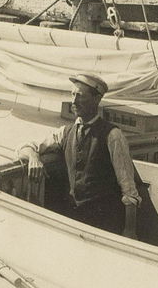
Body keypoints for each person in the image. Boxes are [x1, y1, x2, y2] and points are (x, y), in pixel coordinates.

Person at [19, 73, 141, 238]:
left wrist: (130, 231)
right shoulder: (65, 132)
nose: (74, 101)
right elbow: (27, 146)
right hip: (73, 219)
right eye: (72, 95)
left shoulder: (113, 135)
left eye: (80, 96)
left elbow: (128, 188)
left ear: (96, 99)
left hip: (104, 223)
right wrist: (34, 158)